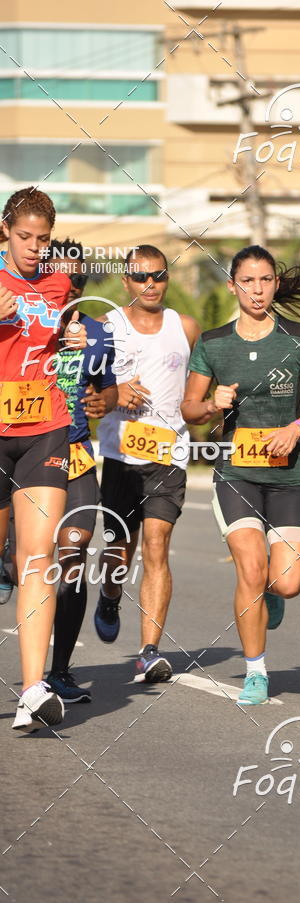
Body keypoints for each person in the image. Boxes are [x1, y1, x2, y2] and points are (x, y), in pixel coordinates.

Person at [181, 245, 300, 705]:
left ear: (274, 284)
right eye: (247, 281)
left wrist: (297, 427)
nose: (257, 289)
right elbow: (189, 409)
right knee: (250, 568)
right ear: (233, 286)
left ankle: (272, 594)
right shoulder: (213, 343)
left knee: (286, 581)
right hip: (236, 475)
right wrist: (213, 405)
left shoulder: (298, 337)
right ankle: (256, 672)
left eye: (265, 280)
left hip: (288, 475)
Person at [0, 187, 87, 732]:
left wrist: (71, 339)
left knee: (37, 556)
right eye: (25, 237)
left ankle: (33, 690)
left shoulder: (60, 283)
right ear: (5, 232)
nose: (34, 248)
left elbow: (54, 342)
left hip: (44, 429)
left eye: (43, 239)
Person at [95, 244, 199, 683]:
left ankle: (149, 651)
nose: (150, 284)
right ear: (126, 282)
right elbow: (86, 390)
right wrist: (116, 390)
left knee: (157, 545)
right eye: (140, 277)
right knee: (121, 548)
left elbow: (195, 392)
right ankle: (110, 592)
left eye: (158, 276)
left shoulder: (186, 327)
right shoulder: (105, 326)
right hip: (120, 453)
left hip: (168, 454)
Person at [36, 238, 117, 702]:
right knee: (20, 563)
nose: (68, 287)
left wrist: (99, 401)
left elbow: (108, 391)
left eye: (77, 279)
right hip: (22, 455)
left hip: (75, 453)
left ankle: (60, 671)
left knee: (75, 553)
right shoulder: (20, 323)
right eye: (60, 277)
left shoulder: (97, 334)